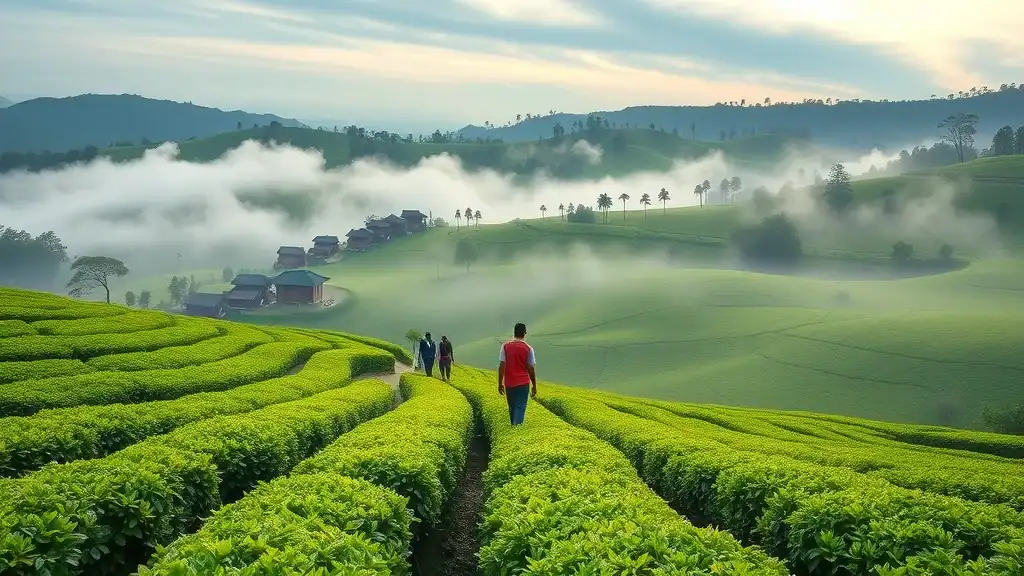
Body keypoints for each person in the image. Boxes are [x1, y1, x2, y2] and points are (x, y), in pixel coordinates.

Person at [497, 322, 536, 426]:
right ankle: (516, 428)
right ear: (524, 333)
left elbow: (501, 366)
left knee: (512, 407)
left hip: (509, 383)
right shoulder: (528, 348)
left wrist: (500, 383)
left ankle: (514, 427)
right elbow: (531, 369)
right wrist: (534, 385)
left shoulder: (505, 346)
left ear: (514, 333)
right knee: (520, 407)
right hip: (523, 384)